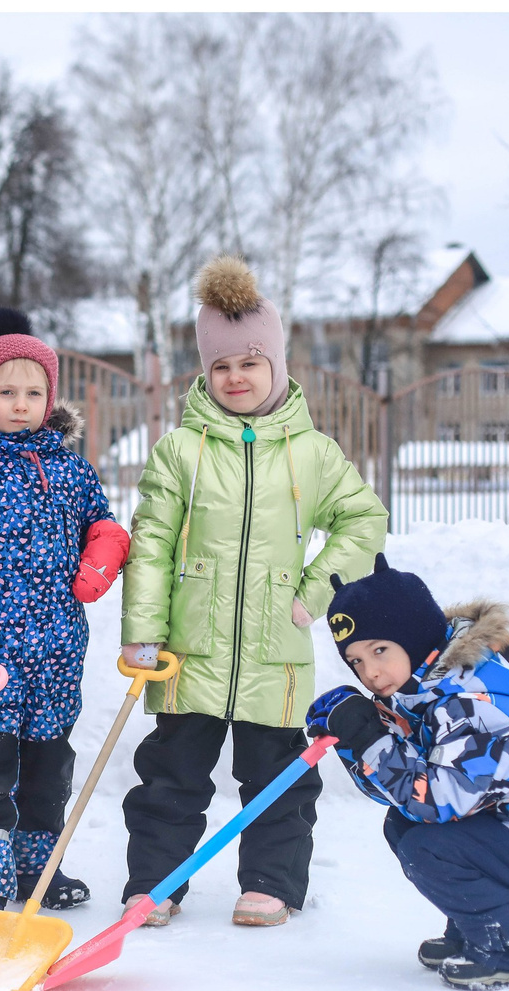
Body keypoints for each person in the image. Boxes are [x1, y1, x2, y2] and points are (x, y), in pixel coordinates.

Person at [118, 256, 388, 928]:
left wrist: (316, 589)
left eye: (250, 363)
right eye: (221, 366)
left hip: (277, 646)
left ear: (277, 366)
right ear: (204, 373)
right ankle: (155, 883)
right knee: (170, 777)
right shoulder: (181, 451)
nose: (236, 377)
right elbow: (150, 542)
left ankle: (271, 881)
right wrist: (143, 630)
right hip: (192, 648)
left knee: (278, 778)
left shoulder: (313, 453)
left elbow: (365, 520)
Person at [0, 308, 129, 919]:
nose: (20, 404)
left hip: (59, 649)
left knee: (47, 764)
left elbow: (104, 522)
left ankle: (37, 865)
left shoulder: (70, 467)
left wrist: (105, 551)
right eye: (6, 392)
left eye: (33, 393)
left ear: (50, 397)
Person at [313, 557, 509, 990]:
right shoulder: (424, 691)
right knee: (403, 826)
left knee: (430, 845)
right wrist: (356, 740)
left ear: (413, 637)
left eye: (379, 651)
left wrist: (372, 742)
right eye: (355, 661)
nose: (369, 672)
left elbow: (436, 801)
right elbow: (401, 795)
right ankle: (479, 928)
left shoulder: (470, 702)